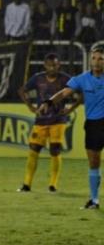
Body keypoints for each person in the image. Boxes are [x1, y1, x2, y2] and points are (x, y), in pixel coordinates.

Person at [37, 48, 104, 209]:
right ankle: (94, 200)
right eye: (94, 58)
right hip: (94, 124)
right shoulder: (82, 79)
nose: (96, 61)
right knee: (94, 162)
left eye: (101, 58)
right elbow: (64, 93)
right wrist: (49, 102)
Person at [16, 53, 77, 193]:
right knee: (33, 150)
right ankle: (27, 184)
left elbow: (80, 93)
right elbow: (22, 90)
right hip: (41, 120)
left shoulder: (65, 79)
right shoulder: (38, 78)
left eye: (55, 65)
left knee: (55, 150)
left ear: (59, 65)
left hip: (58, 120)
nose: (52, 68)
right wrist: (30, 106)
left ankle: (53, 185)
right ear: (45, 65)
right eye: (49, 65)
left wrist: (71, 108)